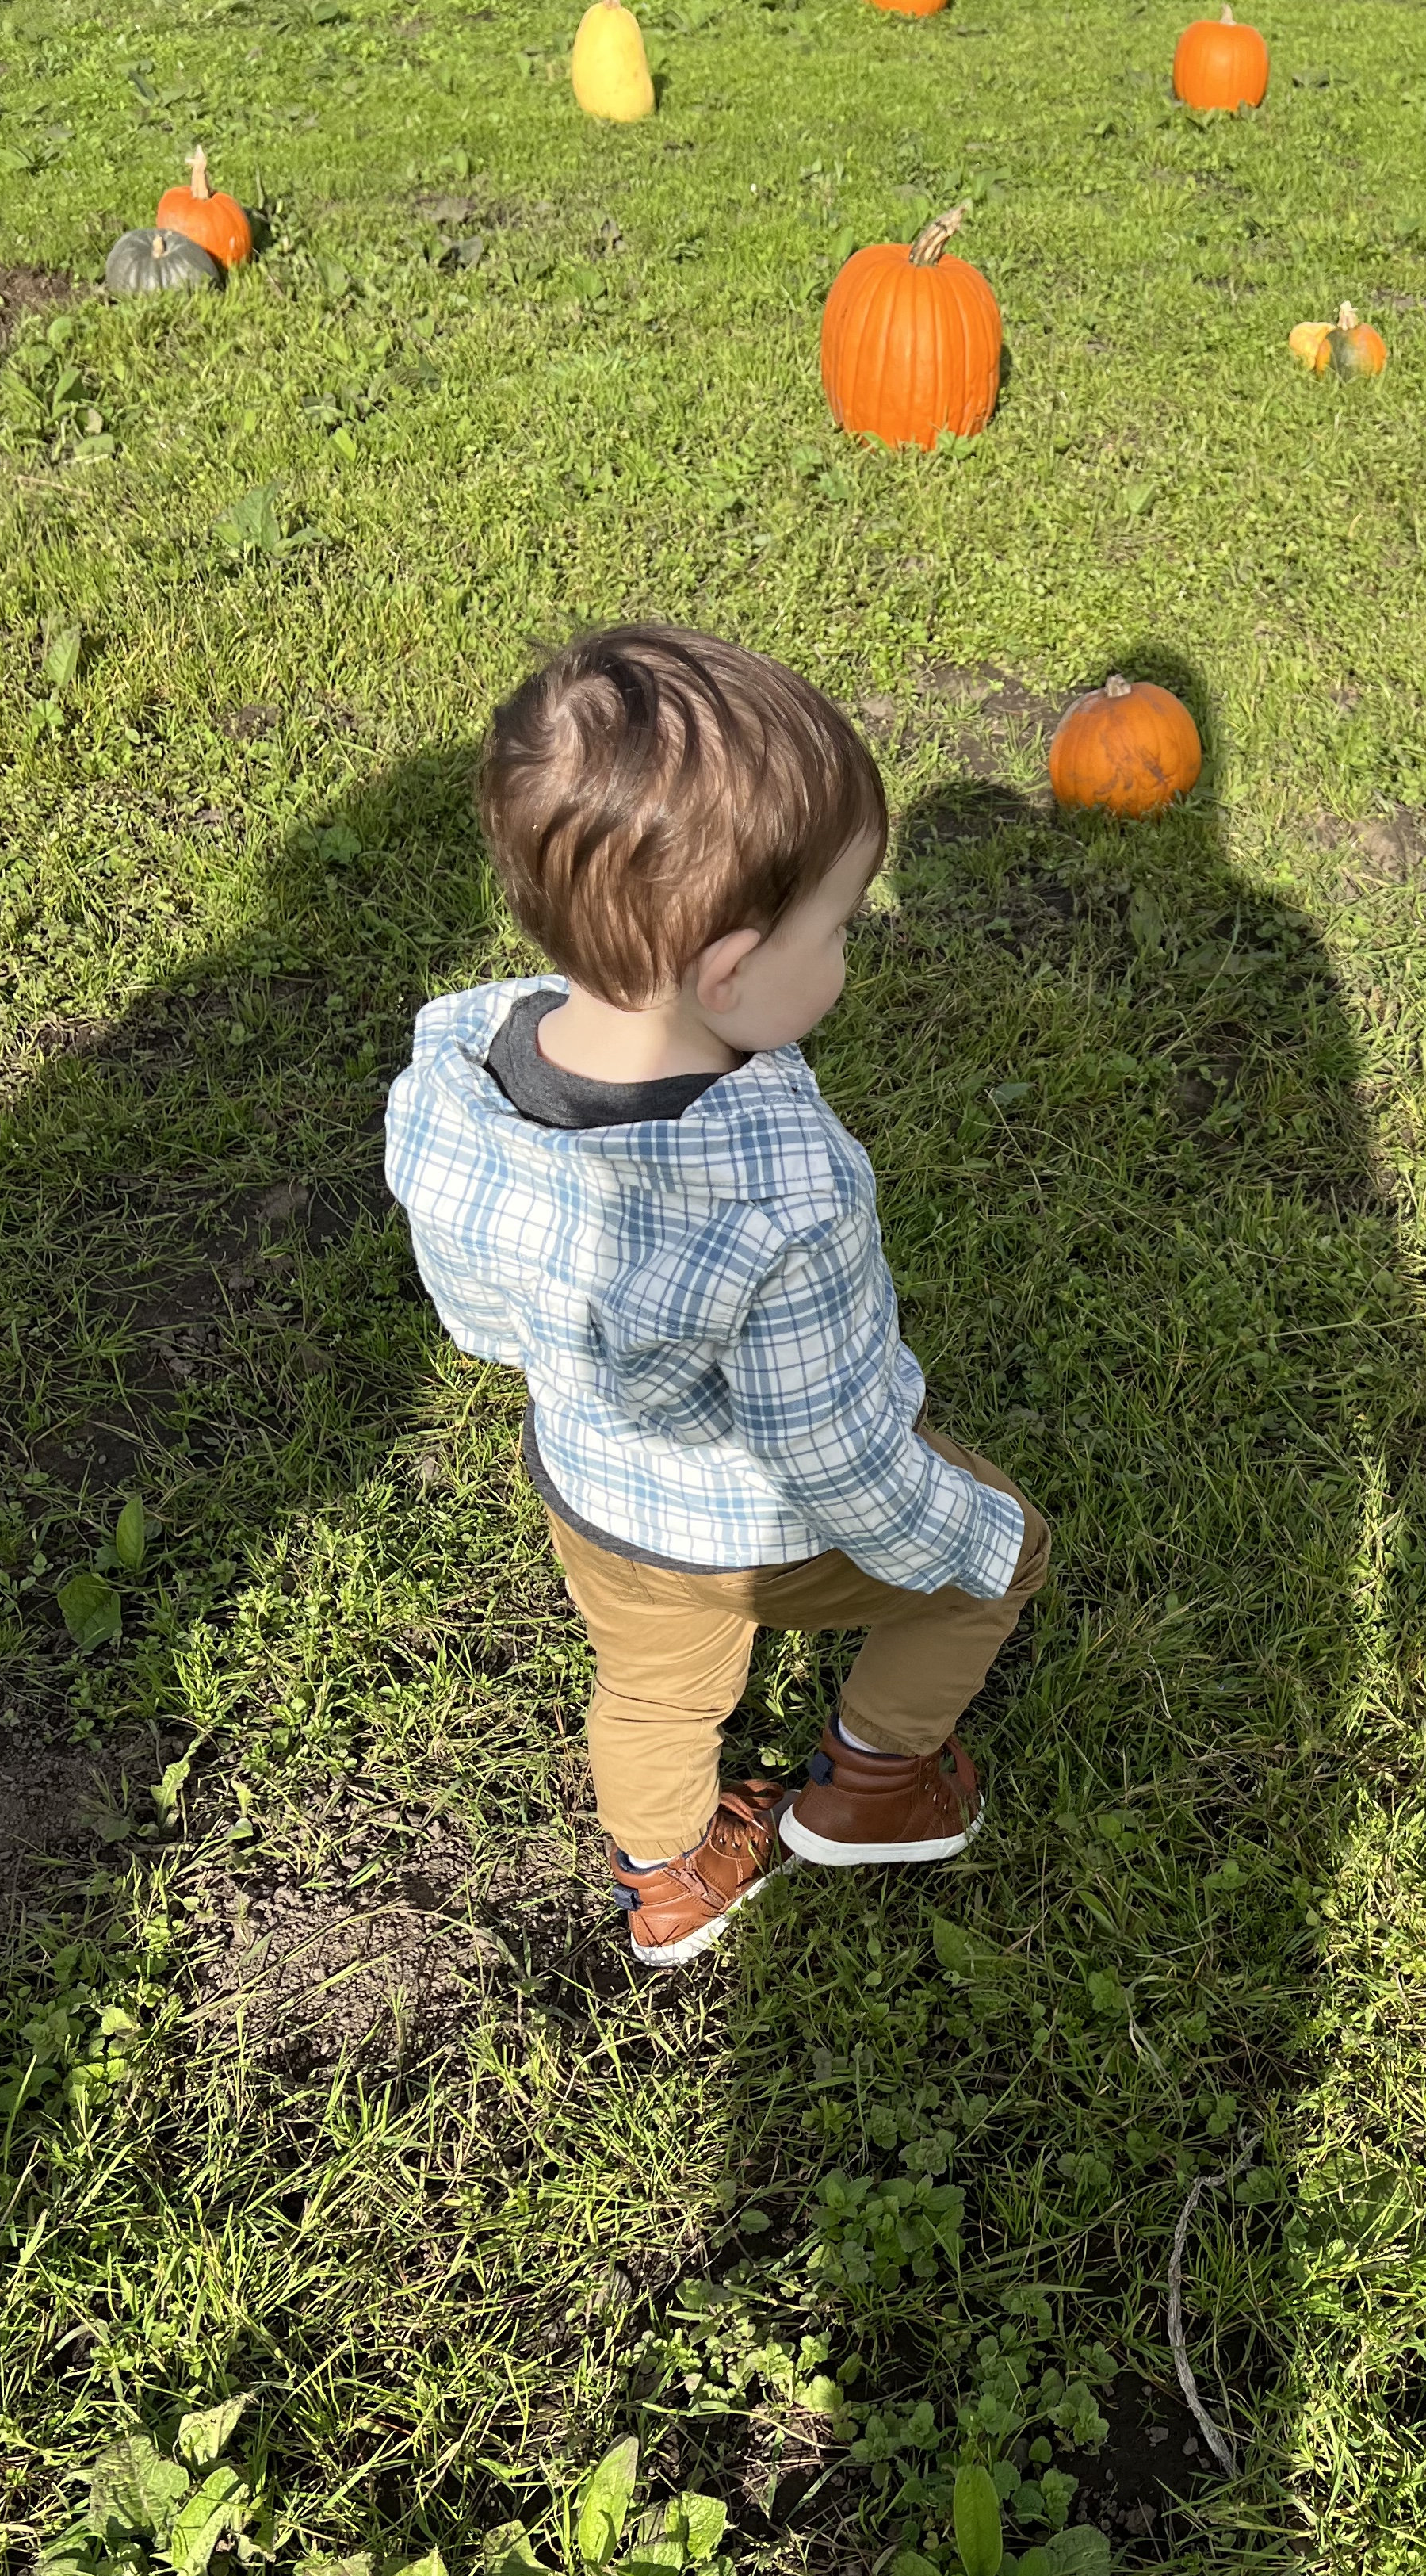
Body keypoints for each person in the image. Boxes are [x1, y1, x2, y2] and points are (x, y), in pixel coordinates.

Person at [383, 626, 1049, 1967]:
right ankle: (873, 1788)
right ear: (732, 971)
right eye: (842, 926)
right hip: (747, 1525)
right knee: (993, 1562)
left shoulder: (458, 1055)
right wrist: (962, 1539)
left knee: (651, 1687)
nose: (852, 951)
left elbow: (474, 1312)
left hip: (587, 1485)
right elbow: (840, 1449)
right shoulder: (784, 1193)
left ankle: (672, 1879)